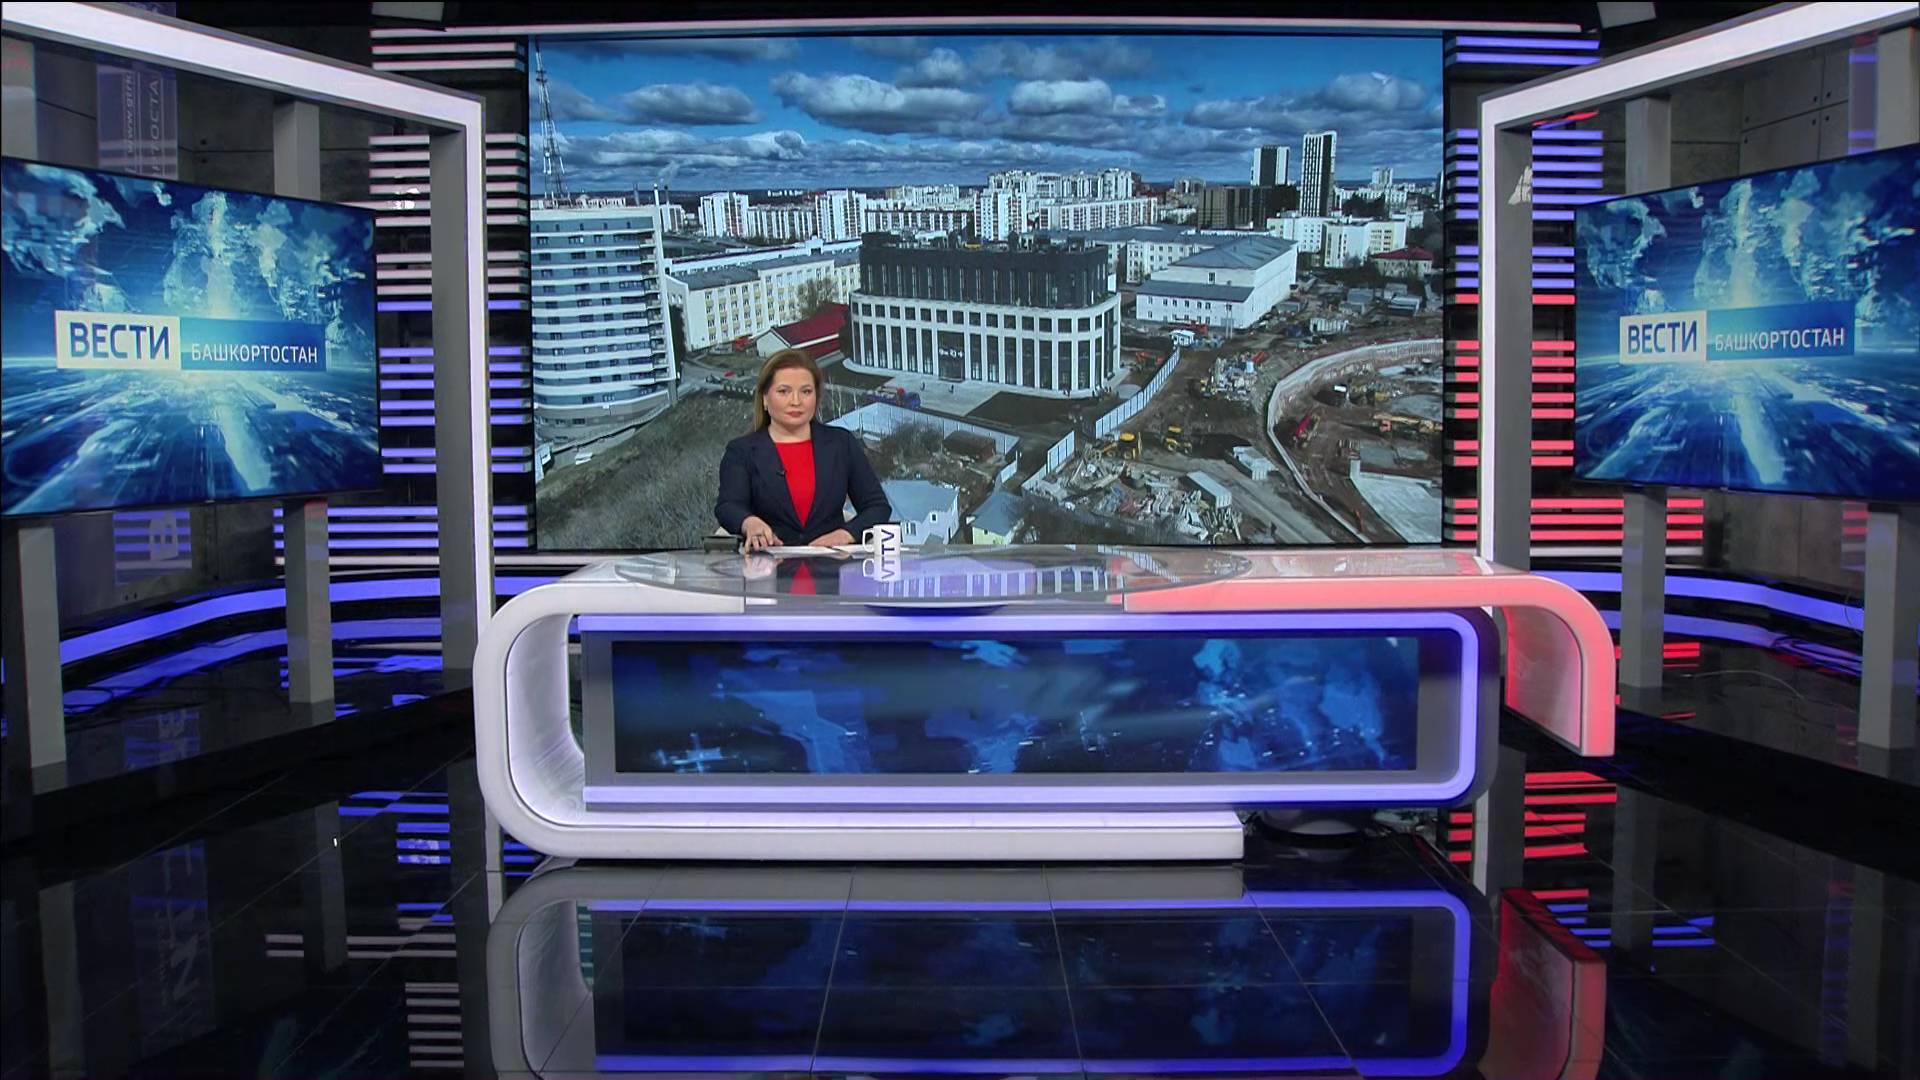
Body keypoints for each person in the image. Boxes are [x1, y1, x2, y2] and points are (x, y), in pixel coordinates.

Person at [714, 349, 892, 552]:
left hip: (830, 564)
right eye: (784, 391)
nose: (796, 401)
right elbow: (728, 506)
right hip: (769, 565)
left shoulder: (841, 444)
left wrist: (846, 534)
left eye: (806, 392)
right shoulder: (742, 451)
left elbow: (877, 507)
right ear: (764, 398)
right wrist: (749, 523)